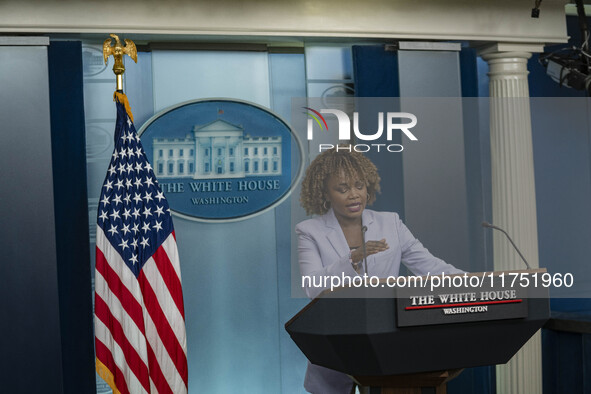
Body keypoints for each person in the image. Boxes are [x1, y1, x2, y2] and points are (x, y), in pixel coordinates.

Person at [295, 147, 463, 394]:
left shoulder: (390, 222)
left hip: (386, 344)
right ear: (325, 193)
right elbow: (313, 287)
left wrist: (470, 284)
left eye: (359, 185)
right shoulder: (310, 231)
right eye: (342, 189)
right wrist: (352, 260)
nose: (354, 195)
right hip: (337, 345)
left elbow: (430, 266)